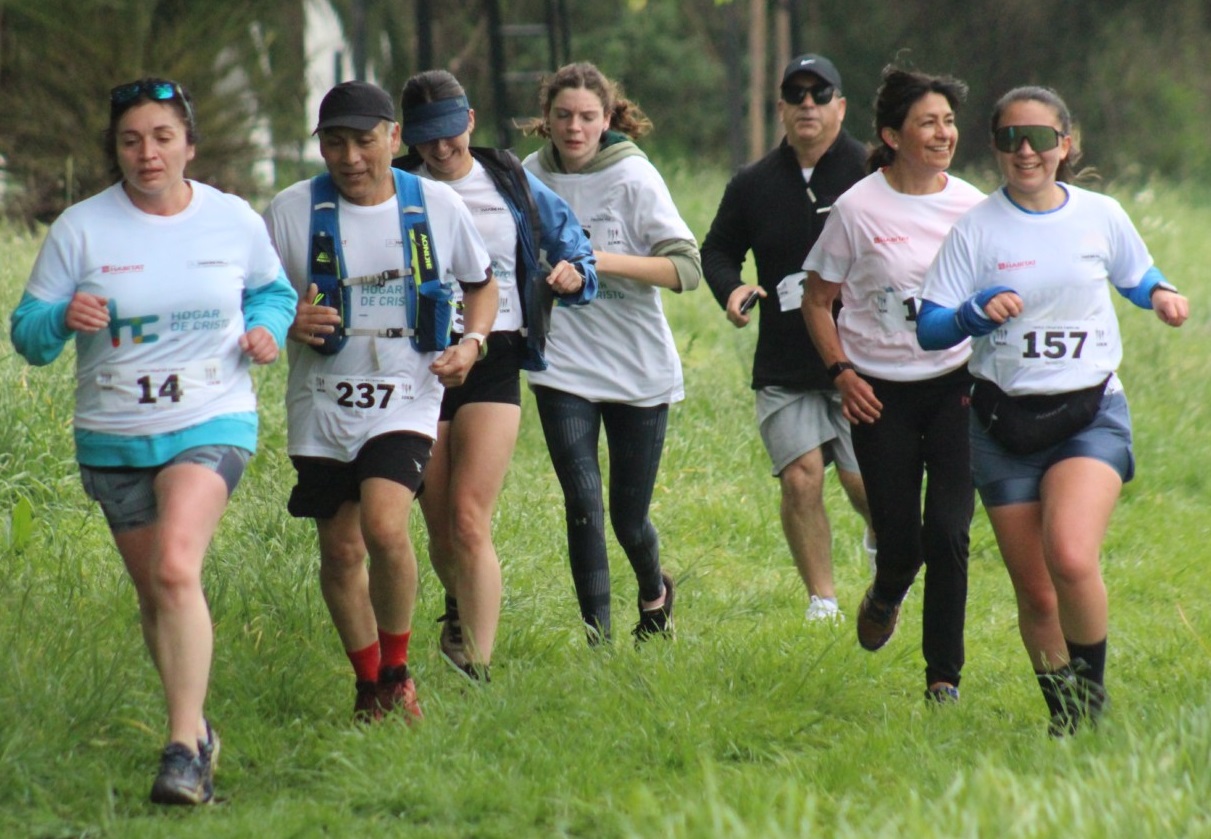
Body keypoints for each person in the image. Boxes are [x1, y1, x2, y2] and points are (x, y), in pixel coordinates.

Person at [10, 78, 296, 804]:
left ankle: (178, 747)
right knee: (158, 592)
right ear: (115, 150)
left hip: (212, 415)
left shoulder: (231, 219)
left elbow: (275, 291)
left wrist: (268, 328)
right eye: (132, 140)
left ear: (188, 145)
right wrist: (62, 318)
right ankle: (197, 732)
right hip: (113, 432)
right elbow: (28, 336)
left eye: (163, 137)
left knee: (175, 567)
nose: (147, 153)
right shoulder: (80, 228)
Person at [917, 86, 1189, 733]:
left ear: (1065, 144)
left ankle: (1089, 705)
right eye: (1010, 138)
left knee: (1068, 555)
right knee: (1036, 590)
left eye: (1039, 137)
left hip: (1088, 412)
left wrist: (1162, 294)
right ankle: (1065, 719)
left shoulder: (1099, 214)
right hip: (1001, 424)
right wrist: (971, 312)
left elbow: (1134, 273)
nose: (1025, 151)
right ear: (995, 148)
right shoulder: (976, 228)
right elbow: (929, 327)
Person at [263, 81, 497, 719]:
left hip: (406, 393)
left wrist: (472, 344)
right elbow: (255, 297)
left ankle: (398, 670)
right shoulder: (290, 210)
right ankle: (369, 684)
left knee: (385, 524)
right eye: (334, 143)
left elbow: (483, 287)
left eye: (364, 141)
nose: (350, 157)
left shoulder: (437, 205)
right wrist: (288, 321)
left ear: (394, 138)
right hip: (322, 398)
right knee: (339, 549)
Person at [393, 69, 597, 679]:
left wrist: (574, 275)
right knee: (437, 527)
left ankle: (477, 668)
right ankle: (455, 602)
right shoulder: (398, 191)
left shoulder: (509, 180)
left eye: (451, 132)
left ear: (471, 122)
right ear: (408, 136)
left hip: (497, 353)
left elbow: (575, 247)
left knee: (468, 516)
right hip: (423, 362)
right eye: (428, 137)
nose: (441, 147)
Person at [802, 66, 984, 702]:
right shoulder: (857, 208)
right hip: (879, 393)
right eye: (928, 122)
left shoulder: (972, 207)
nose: (943, 133)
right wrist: (841, 372)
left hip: (956, 384)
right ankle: (887, 588)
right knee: (902, 541)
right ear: (891, 134)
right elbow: (817, 300)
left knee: (951, 531)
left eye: (949, 122)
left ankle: (943, 677)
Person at [521, 61, 702, 643]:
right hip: (564, 360)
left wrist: (597, 262)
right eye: (563, 116)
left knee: (628, 519)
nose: (575, 127)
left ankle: (655, 592)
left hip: (636, 365)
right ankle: (597, 642)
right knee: (581, 499)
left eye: (587, 117)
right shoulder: (526, 178)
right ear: (545, 120)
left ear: (607, 119)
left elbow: (685, 269)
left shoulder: (633, 177)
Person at [702, 53, 875, 623]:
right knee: (801, 478)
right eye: (795, 95)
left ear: (841, 106)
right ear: (779, 107)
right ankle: (822, 600)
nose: (807, 104)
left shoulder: (873, 171)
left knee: (861, 482)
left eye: (820, 94)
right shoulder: (753, 183)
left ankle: (888, 554)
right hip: (784, 360)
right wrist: (731, 289)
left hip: (863, 356)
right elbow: (717, 250)